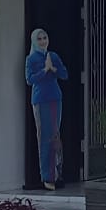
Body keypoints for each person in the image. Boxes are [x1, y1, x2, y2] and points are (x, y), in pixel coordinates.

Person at [25, 28, 67, 189]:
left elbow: (64, 74)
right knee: (44, 137)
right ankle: (47, 177)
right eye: (40, 39)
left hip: (55, 98)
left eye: (45, 38)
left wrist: (53, 68)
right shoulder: (31, 59)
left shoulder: (53, 56)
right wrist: (45, 70)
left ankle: (57, 174)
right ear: (35, 41)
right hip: (40, 100)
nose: (43, 41)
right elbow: (30, 79)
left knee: (55, 135)